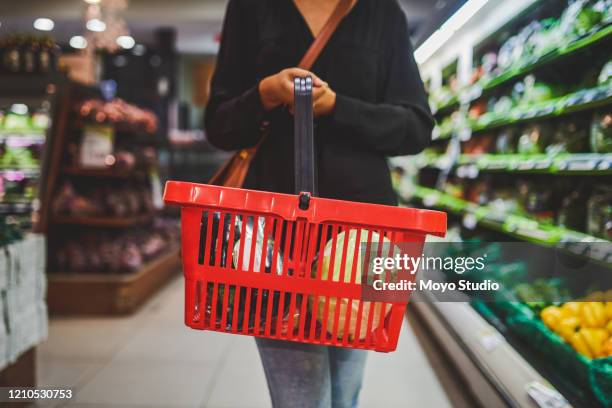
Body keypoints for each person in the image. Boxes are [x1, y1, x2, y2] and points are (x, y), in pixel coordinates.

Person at [204, 0, 433, 406]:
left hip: (364, 238)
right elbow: (219, 125)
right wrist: (265, 93)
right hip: (274, 236)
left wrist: (337, 108)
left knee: (345, 395)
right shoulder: (250, 8)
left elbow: (415, 127)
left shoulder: (381, 12)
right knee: (300, 400)